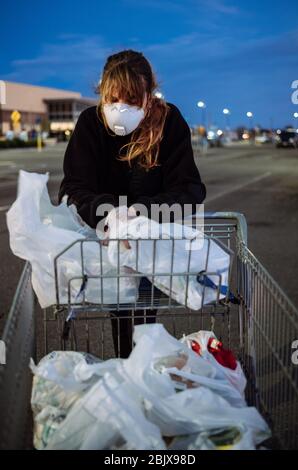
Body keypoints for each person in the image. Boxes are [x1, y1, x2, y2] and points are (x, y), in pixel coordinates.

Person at [58, 49, 206, 358]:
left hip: (152, 249)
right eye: (113, 100)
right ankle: (134, 372)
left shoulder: (169, 122)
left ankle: (138, 372)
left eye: (131, 100)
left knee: (142, 317)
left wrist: (141, 212)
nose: (120, 108)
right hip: (105, 248)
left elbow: (190, 189)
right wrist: (108, 213)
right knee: (122, 313)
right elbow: (73, 188)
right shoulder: (90, 124)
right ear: (102, 94)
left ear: (149, 96)